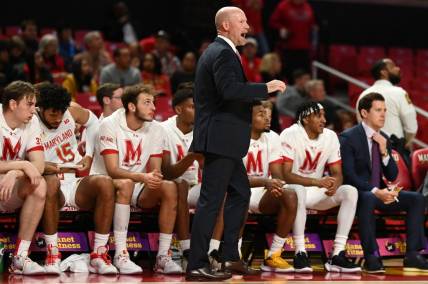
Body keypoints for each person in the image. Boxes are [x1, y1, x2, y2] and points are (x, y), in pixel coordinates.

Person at [187, 6, 286, 281]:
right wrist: (265, 87)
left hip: (225, 140)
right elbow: (229, 90)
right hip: (220, 139)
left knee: (240, 193)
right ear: (226, 25)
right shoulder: (222, 52)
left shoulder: (221, 52)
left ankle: (229, 256)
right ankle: (195, 264)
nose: (248, 26)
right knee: (210, 202)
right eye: (242, 21)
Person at [90, 83, 182, 274]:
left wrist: (153, 178)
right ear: (131, 106)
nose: (154, 107)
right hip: (105, 183)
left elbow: (155, 170)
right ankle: (121, 255)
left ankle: (163, 257)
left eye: (154, 102)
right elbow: (113, 170)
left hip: (137, 183)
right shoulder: (109, 124)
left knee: (169, 187)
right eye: (147, 102)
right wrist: (142, 176)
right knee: (125, 183)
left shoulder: (156, 129)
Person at [340, 92, 428, 273]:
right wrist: (375, 190)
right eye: (378, 110)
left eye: (385, 110)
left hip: (380, 192)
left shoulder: (384, 138)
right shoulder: (348, 138)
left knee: (416, 199)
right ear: (364, 113)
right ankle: (371, 255)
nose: (383, 114)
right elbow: (348, 175)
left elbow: (393, 173)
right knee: (368, 197)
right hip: (356, 194)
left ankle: (412, 254)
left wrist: (384, 151)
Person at [34, 83, 117, 275]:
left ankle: (99, 253)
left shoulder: (70, 113)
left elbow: (95, 122)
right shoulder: (31, 122)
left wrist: (89, 153)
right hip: (51, 183)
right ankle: (53, 253)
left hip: (74, 181)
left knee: (105, 182)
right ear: (41, 109)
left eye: (61, 114)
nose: (57, 119)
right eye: (52, 114)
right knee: (51, 182)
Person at [280, 101, 360, 273]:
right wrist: (318, 182)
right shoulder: (290, 133)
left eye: (324, 115)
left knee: (350, 191)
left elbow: (337, 172)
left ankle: (337, 254)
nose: (324, 119)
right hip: (291, 192)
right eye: (319, 116)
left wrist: (335, 184)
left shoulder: (330, 136)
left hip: (316, 192)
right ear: (306, 118)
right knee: (298, 190)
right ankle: (300, 252)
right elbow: (285, 174)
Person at [0, 81, 47, 275]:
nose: (34, 110)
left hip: (8, 188)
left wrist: (15, 172)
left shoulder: (32, 121)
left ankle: (20, 256)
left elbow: (39, 166)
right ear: (13, 104)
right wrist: (22, 164)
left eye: (34, 104)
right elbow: (29, 165)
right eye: (29, 104)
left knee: (39, 184)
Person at [160, 83, 201, 271]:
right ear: (178, 109)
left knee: (221, 192)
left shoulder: (202, 130)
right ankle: (186, 249)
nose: (198, 111)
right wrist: (191, 157)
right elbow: (167, 172)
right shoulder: (162, 129)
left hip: (193, 186)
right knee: (180, 184)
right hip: (167, 185)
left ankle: (213, 249)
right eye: (193, 107)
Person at [356, 58, 417, 165]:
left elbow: (360, 124)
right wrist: (406, 142)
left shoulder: (363, 94)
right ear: (383, 72)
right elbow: (411, 127)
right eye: (393, 66)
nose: (398, 68)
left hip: (369, 151)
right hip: (395, 151)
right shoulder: (399, 92)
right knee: (400, 181)